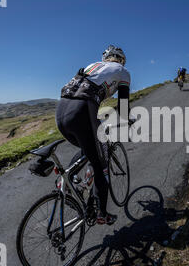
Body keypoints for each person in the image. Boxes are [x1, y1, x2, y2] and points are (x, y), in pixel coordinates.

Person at [56, 45, 132, 225]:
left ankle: (67, 179)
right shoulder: (123, 71)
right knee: (101, 166)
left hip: (61, 111)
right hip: (83, 110)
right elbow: (122, 106)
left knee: (88, 148)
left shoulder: (92, 66)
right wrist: (128, 119)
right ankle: (102, 214)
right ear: (121, 60)